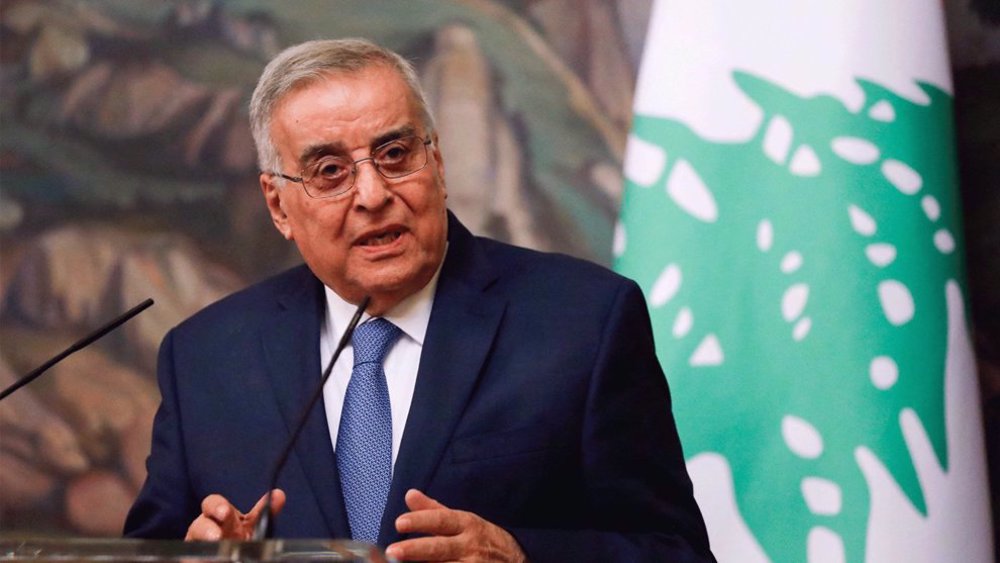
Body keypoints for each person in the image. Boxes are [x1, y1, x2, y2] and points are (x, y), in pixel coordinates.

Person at [124, 38, 715, 562]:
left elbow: (677, 551)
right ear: (279, 205)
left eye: (395, 154)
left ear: (435, 161)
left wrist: (519, 555)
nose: (373, 194)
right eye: (330, 171)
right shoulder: (205, 356)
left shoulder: (583, 322)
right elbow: (153, 550)